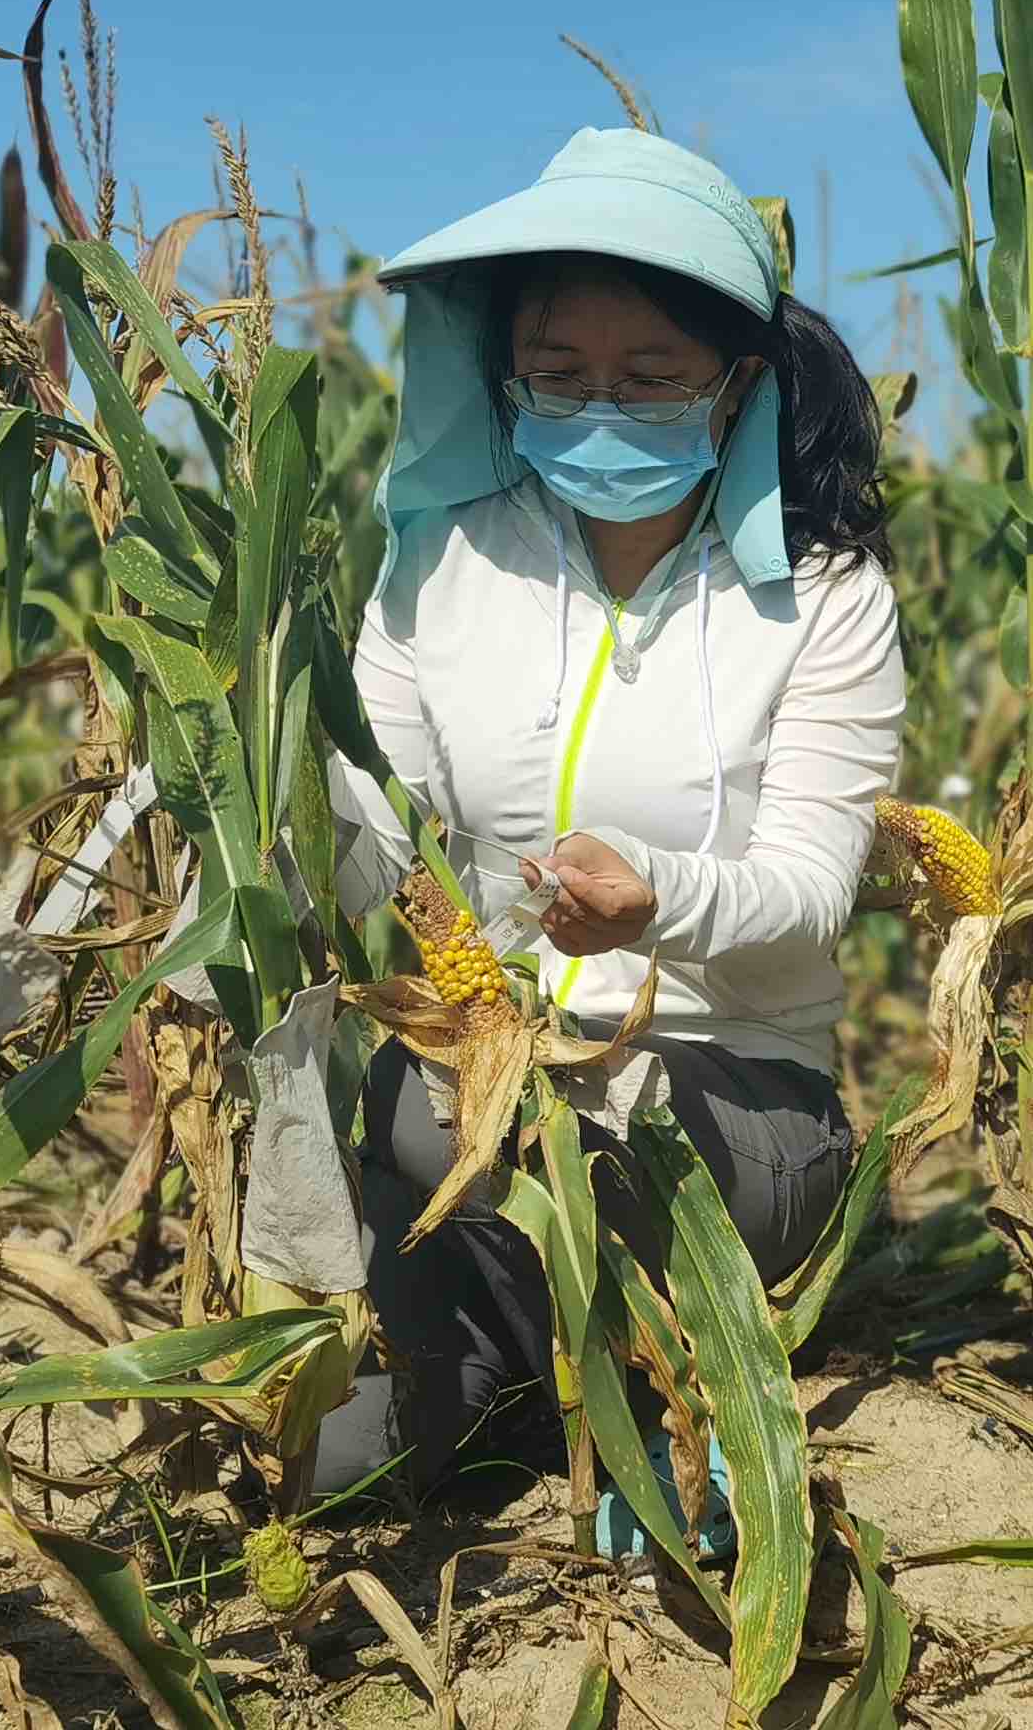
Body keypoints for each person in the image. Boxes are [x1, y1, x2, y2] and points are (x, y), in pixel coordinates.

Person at [317, 128, 905, 1499]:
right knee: (344, 1459)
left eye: (650, 378)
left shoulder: (823, 596)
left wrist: (658, 899)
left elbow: (810, 889)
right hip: (479, 1068)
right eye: (561, 373)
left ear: (736, 384)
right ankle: (538, 1370)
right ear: (505, 377)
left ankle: (635, 1373)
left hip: (725, 1091)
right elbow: (365, 822)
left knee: (517, 1132)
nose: (600, 408)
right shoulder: (441, 560)